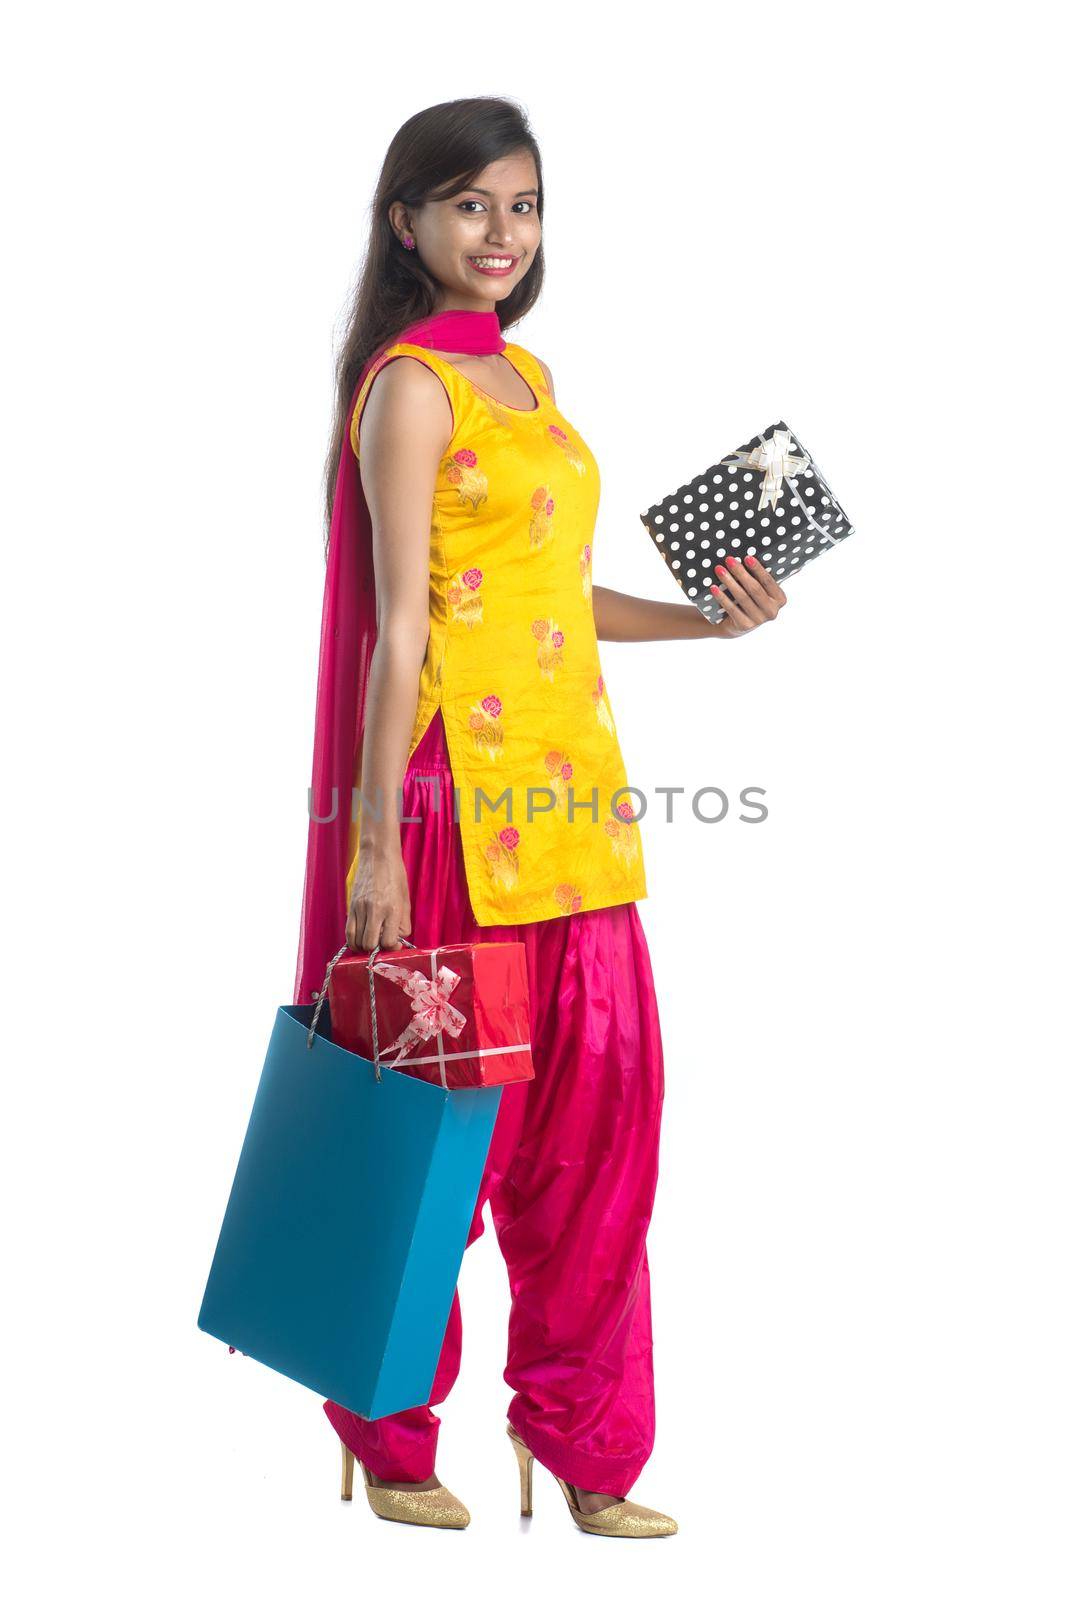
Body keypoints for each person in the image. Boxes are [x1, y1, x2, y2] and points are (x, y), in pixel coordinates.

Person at [295, 96, 786, 1538]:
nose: (500, 234)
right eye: (468, 206)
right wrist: (374, 847)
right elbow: (400, 629)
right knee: (441, 1135)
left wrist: (705, 623)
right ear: (407, 224)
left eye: (522, 205)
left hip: (575, 805)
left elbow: (551, 603)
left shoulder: (532, 383)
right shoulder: (409, 388)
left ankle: (580, 1441)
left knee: (599, 1133)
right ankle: (387, 1434)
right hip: (453, 811)